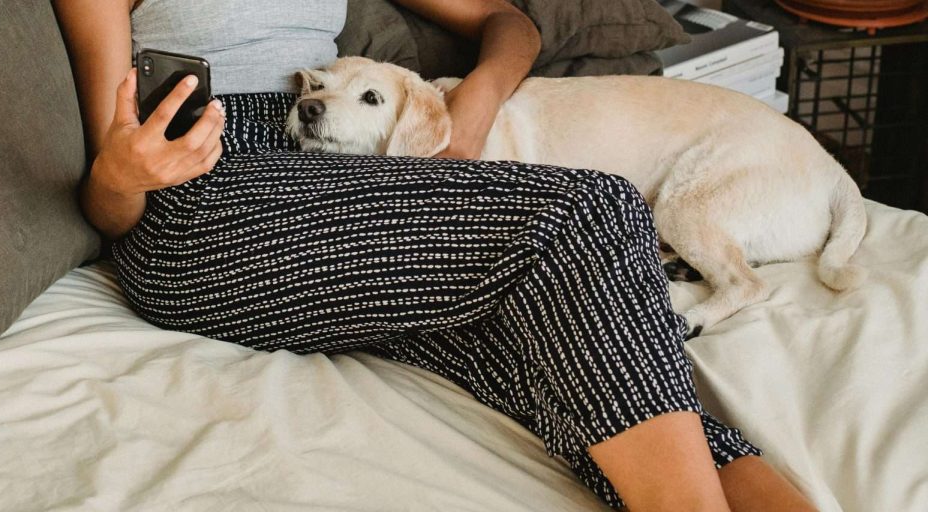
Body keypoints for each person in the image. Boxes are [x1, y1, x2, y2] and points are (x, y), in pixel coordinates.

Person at [53, 0, 817, 510]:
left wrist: (473, 105)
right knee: (593, 207)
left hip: (350, 189)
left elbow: (508, 21)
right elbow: (112, 196)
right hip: (209, 196)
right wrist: (122, 175)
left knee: (575, 350)